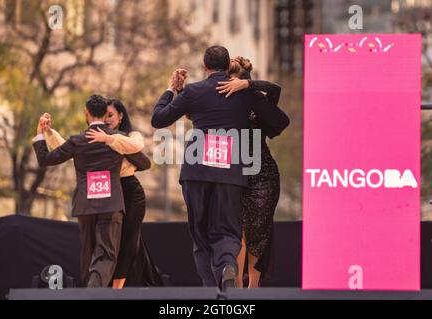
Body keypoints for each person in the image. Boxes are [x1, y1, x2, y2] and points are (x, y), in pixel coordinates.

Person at [151, 46, 290, 290]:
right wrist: (249, 88)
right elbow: (280, 119)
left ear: (204, 67)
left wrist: (172, 89)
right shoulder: (244, 96)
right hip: (229, 173)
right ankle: (227, 267)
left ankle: (211, 287)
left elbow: (159, 119)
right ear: (228, 67)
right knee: (227, 230)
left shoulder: (194, 91)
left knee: (201, 232)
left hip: (197, 171)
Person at [41, 99, 163, 288]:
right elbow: (69, 148)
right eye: (104, 115)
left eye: (110, 115)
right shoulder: (88, 138)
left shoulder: (125, 137)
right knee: (103, 247)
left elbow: (143, 160)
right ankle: (99, 289)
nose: (106, 120)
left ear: (120, 116)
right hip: (106, 195)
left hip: (128, 192)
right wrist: (49, 133)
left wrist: (109, 140)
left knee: (127, 242)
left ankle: (114, 288)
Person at [216, 57, 287, 288]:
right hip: (234, 176)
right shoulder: (221, 102)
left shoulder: (256, 100)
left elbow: (275, 90)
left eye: (232, 81)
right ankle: (236, 288)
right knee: (237, 233)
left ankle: (253, 289)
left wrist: (248, 85)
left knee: (259, 234)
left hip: (263, 177)